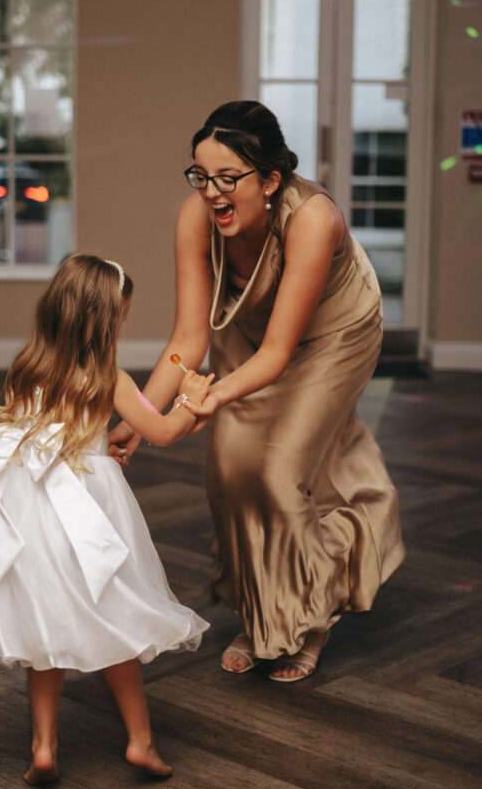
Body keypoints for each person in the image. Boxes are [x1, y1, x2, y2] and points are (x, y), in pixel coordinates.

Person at [109, 100, 405, 681]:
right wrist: (141, 416)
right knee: (229, 469)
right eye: (201, 176)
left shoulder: (313, 219)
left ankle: (311, 617)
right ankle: (264, 613)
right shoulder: (196, 219)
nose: (213, 193)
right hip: (247, 327)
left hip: (334, 332)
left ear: (270, 179)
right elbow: (189, 336)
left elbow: (280, 353)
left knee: (278, 471)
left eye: (228, 178)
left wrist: (212, 399)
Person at [0, 254, 210, 784]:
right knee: (113, 617)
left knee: (43, 631)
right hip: (90, 508)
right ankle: (140, 742)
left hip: (32, 512)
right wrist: (194, 399)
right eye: (122, 316)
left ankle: (44, 747)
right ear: (107, 321)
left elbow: (35, 435)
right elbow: (161, 432)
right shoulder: (110, 378)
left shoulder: (27, 364)